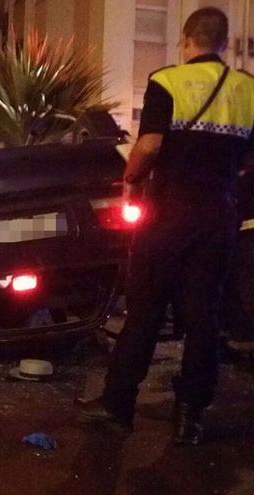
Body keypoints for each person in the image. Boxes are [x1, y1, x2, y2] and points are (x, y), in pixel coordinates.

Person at [79, 7, 254, 445]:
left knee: (146, 311)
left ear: (187, 40)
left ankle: (118, 405)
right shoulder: (248, 91)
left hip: (169, 214)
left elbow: (151, 144)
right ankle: (190, 415)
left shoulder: (167, 81)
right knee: (204, 317)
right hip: (218, 216)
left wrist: (131, 175)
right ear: (223, 43)